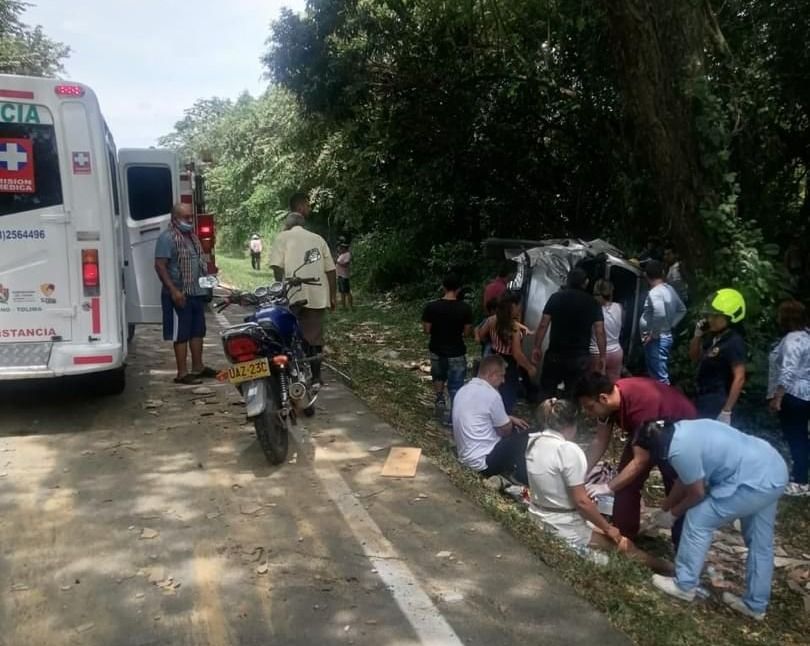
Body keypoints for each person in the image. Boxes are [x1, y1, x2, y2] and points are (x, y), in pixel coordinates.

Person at [638, 419, 788, 620]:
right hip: (772, 469)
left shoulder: (676, 450)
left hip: (751, 481)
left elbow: (697, 493)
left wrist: (673, 515)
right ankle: (756, 605)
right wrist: (664, 508)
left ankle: (684, 585)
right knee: (760, 542)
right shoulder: (682, 430)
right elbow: (687, 477)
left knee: (698, 519)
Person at [526, 398, 673, 573]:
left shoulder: (533, 442)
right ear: (573, 424)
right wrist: (609, 528)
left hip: (538, 514)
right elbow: (582, 502)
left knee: (602, 530)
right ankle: (667, 568)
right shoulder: (567, 450)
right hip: (562, 524)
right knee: (624, 544)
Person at [574, 372, 697, 543]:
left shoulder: (641, 406)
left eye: (589, 407)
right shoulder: (609, 404)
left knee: (676, 487)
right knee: (625, 481)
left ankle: (683, 547)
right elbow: (600, 441)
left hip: (678, 432)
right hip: (646, 432)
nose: (588, 413)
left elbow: (640, 461)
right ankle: (623, 536)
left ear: (603, 399)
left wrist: (607, 487)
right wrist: (578, 475)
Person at [268, 212, 336, 385]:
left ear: (287, 225)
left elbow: (277, 267)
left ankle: (290, 372)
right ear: (303, 224)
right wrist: (333, 296)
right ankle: (316, 376)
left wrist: (280, 286)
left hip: (292, 294)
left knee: (287, 332)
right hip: (317, 294)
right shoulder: (318, 239)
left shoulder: (282, 237)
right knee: (314, 336)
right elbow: (331, 270)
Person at [154, 203, 217, 385]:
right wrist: (173, 290)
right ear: (175, 218)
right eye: (185, 217)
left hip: (196, 292)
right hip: (179, 293)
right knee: (181, 334)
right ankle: (182, 373)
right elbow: (160, 265)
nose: (190, 220)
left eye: (191, 216)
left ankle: (198, 367)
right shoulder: (167, 238)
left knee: (197, 331)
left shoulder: (191, 237)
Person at [452, 356, 531, 484]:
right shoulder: (492, 395)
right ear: (492, 375)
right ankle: (522, 479)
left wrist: (508, 418)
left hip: (466, 456)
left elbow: (480, 413)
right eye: (501, 376)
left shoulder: (464, 390)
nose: (503, 381)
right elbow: (505, 431)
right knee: (526, 435)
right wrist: (509, 422)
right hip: (484, 462)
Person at [532, 268, 606, 398]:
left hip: (556, 353)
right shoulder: (592, 302)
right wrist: (602, 356)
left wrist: (537, 347)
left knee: (547, 391)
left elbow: (543, 324)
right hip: (579, 357)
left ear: (568, 281)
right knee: (573, 394)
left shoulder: (556, 297)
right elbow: (599, 331)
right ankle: (569, 417)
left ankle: (543, 415)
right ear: (586, 282)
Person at [767, 299, 810, 490]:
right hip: (806, 392)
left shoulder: (792, 340)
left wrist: (778, 397)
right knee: (801, 436)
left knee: (796, 437)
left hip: (794, 394)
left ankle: (800, 480)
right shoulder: (807, 336)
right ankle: (800, 474)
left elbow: (788, 370)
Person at [689, 288, 747, 423]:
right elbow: (694, 357)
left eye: (716, 316)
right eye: (710, 316)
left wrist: (727, 410)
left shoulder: (734, 342)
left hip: (718, 399)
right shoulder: (714, 338)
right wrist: (697, 336)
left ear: (730, 317)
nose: (710, 320)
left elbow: (739, 378)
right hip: (703, 396)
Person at [421, 273, 473, 421]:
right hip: (456, 351)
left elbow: (426, 330)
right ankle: (453, 414)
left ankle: (439, 399)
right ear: (459, 289)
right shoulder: (465, 308)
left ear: (443, 287)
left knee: (438, 376)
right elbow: (467, 332)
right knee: (455, 384)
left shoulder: (431, 307)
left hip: (437, 349)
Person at [476, 291, 536, 414]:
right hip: (508, 364)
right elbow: (517, 354)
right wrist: (529, 368)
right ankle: (503, 420)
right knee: (507, 396)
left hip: (493, 358)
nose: (521, 308)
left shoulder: (492, 320)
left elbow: (481, 335)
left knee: (490, 390)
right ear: (513, 306)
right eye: (519, 305)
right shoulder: (513, 328)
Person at [639, 260, 686, 385]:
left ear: (646, 275)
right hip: (664, 336)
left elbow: (659, 313)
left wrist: (653, 335)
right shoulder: (669, 289)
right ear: (663, 273)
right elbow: (682, 310)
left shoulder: (655, 292)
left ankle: (665, 403)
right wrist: (671, 324)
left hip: (656, 340)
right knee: (657, 375)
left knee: (660, 378)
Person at [591, 279, 623, 382]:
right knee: (612, 387)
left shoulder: (593, 309)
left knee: (594, 387)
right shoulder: (619, 307)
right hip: (616, 352)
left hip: (596, 352)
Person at [335, 240, 353, 309]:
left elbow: (346, 264)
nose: (339, 249)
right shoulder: (341, 255)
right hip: (340, 275)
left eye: (340, 248)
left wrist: (337, 262)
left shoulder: (347, 254)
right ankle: (344, 306)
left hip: (344, 276)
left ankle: (351, 306)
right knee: (341, 292)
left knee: (347, 291)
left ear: (344, 248)